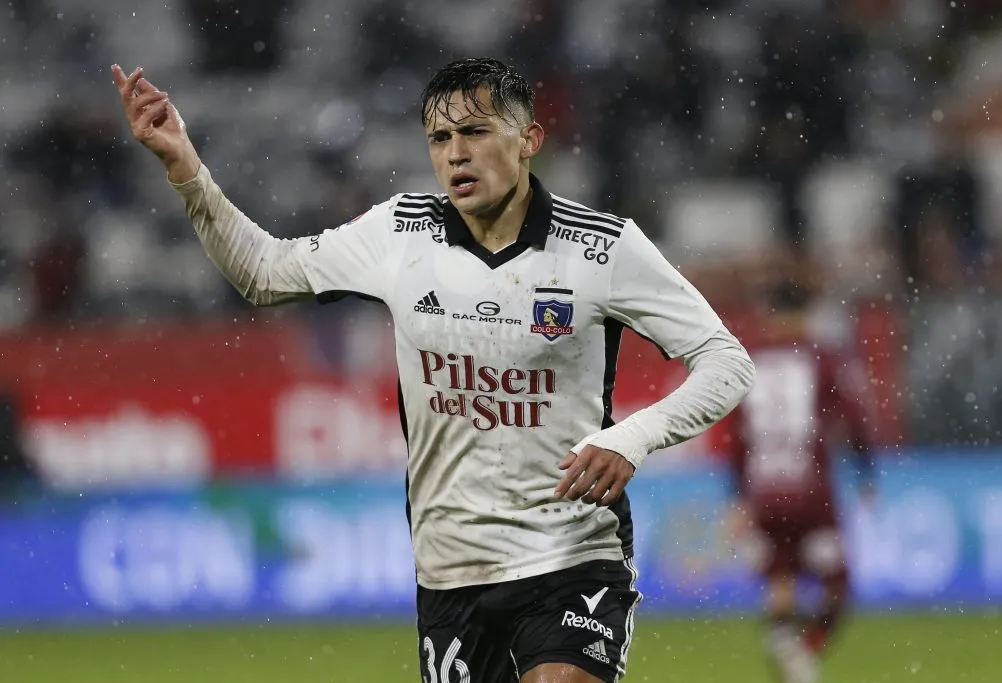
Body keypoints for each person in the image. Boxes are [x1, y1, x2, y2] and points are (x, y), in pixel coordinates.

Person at [112, 57, 755, 683]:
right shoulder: (400, 233)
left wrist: (632, 438)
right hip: (452, 574)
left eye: (475, 132)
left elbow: (726, 362)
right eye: (440, 138)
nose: (455, 154)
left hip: (571, 556)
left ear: (528, 139)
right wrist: (184, 166)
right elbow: (262, 272)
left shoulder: (603, 247)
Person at [722, 283, 875, 683]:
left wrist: (737, 498)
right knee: (838, 584)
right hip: (812, 492)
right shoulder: (823, 358)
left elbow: (735, 438)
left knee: (780, 578)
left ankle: (786, 648)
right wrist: (866, 471)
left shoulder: (747, 360)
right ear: (806, 314)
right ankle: (804, 653)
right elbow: (855, 416)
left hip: (764, 492)